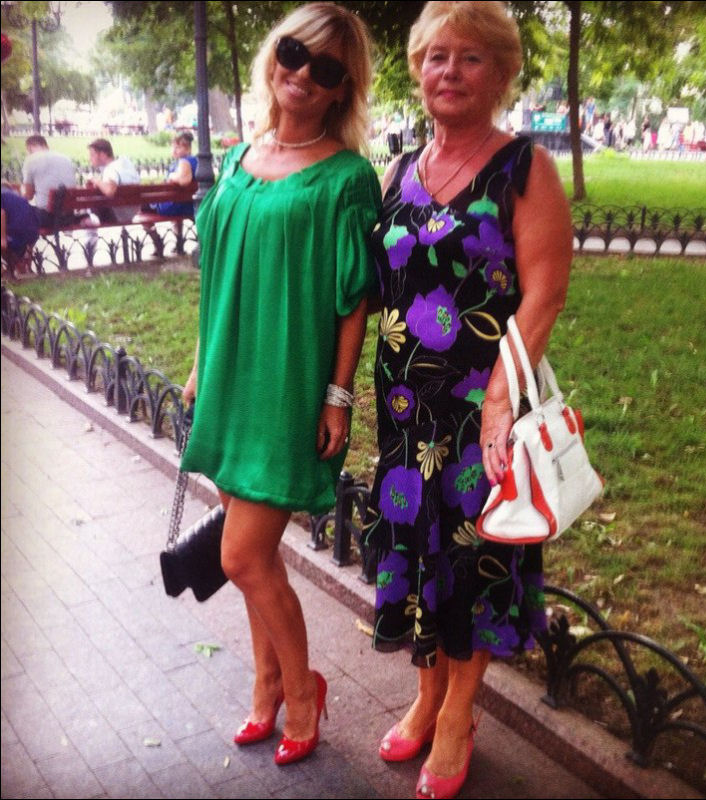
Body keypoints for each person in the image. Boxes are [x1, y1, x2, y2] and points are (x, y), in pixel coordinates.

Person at [362, 2, 573, 798]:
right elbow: (372, 289)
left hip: (483, 407)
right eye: (436, 56)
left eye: (471, 58)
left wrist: (499, 400)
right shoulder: (395, 173)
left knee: (472, 558)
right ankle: (425, 696)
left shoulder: (525, 168)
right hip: (403, 410)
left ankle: (458, 713)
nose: (449, 71)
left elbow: (545, 294)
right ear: (417, 69)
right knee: (415, 550)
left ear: (503, 73)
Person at [179, 2, 379, 767]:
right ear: (275, 54)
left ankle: (302, 691)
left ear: (342, 88)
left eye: (326, 68)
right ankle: (265, 685)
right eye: (294, 52)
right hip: (228, 378)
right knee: (254, 560)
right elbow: (217, 274)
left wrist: (337, 395)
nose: (303, 74)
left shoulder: (346, 178)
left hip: (286, 384)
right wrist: (200, 364)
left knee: (240, 557)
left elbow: (354, 298)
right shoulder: (238, 158)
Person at [21, 135, 77, 228]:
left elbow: (28, 196)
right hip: (68, 217)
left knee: (13, 210)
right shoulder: (66, 158)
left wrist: (22, 190)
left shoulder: (30, 160)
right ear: (46, 146)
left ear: (29, 148)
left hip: (46, 218)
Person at [84, 138, 140, 224]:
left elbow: (110, 191)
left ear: (103, 155)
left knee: (89, 205)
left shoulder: (111, 169)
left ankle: (90, 232)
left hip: (118, 215)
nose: (90, 159)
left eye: (92, 155)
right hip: (133, 212)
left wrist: (95, 180)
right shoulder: (125, 163)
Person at [149, 131, 198, 217]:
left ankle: (150, 228)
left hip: (173, 206)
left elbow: (184, 180)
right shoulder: (196, 161)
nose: (174, 151)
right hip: (187, 204)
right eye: (173, 147)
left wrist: (171, 176)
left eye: (178, 148)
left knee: (142, 203)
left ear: (188, 149)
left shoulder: (184, 161)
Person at [1, 183, 40, 276]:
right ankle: (23, 268)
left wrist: (2, 238)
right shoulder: (14, 195)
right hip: (32, 232)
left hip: (15, 234)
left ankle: (5, 269)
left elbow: (1, 213)